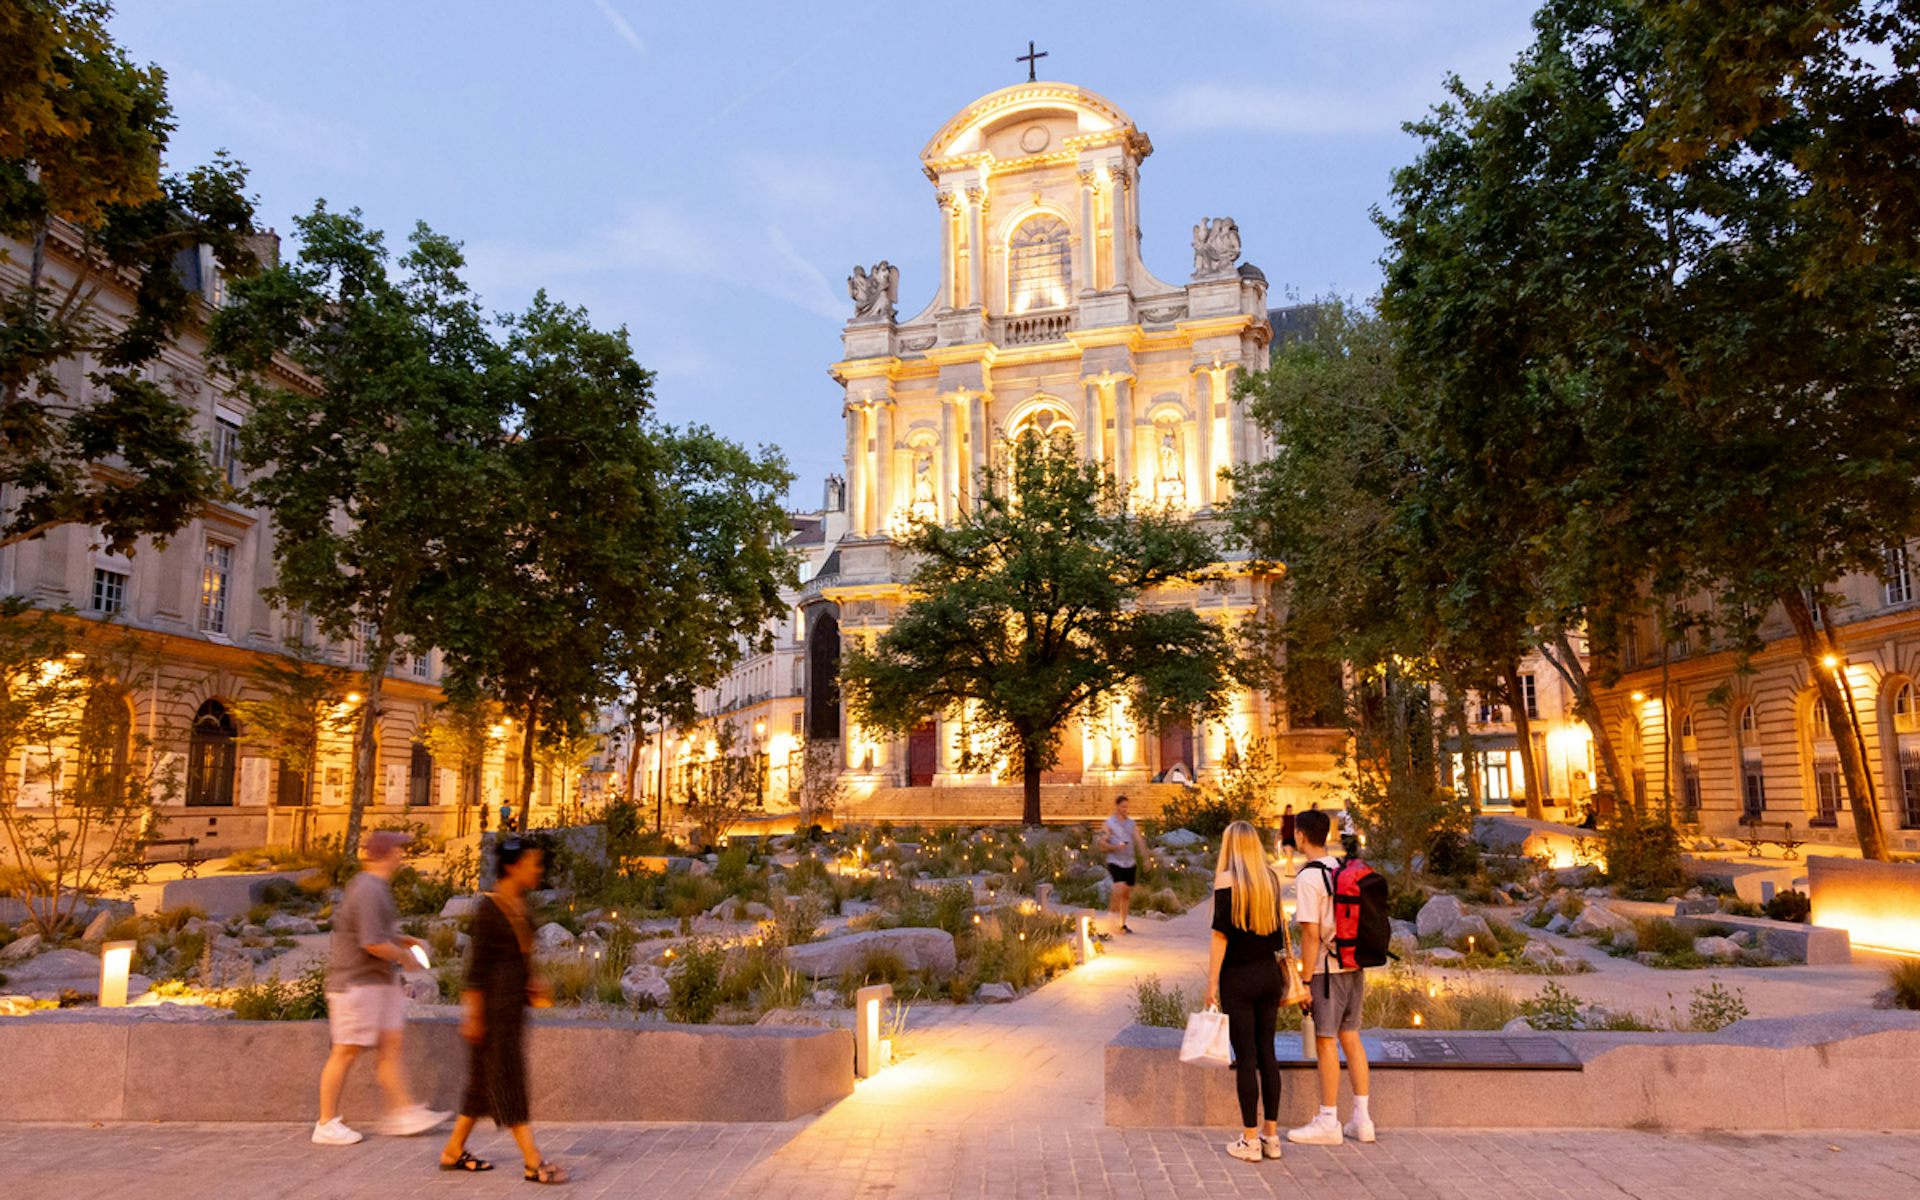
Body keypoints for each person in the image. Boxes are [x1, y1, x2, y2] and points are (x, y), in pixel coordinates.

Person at [439, 837, 568, 1184]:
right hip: (494, 1013)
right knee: (508, 1081)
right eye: (532, 863)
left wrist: (532, 981)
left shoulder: (520, 903)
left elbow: (520, 954)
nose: (538, 870)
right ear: (513, 866)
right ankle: (532, 1161)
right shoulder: (489, 909)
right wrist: (474, 1016)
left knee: (482, 1085)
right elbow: (475, 971)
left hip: (513, 1008)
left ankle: (453, 1151)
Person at [313, 830, 449, 1146]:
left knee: (390, 1046)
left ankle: (403, 1113)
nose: (402, 855)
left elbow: (376, 932)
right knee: (345, 1051)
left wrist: (404, 941)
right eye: (399, 849)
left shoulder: (376, 888)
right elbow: (371, 942)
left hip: (377, 983)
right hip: (356, 983)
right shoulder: (368, 889)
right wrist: (405, 957)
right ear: (386, 853)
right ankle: (326, 1122)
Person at [1203, 820, 1300, 1163]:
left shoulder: (1226, 881)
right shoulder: (1270, 879)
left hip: (1238, 978)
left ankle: (1249, 1140)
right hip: (1268, 975)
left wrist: (1211, 981)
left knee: (1246, 1059)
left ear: (1230, 846)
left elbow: (1220, 936)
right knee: (1267, 1054)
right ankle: (1271, 1136)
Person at [1287, 808, 1374, 1146]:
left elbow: (1310, 934)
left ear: (1301, 836)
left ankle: (1327, 1119)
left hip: (1326, 970)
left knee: (1326, 1042)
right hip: (1354, 964)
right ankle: (1362, 1120)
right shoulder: (1340, 868)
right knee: (1351, 1037)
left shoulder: (1309, 877)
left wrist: (1305, 980)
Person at [1097, 794, 1148, 934]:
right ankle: (1111, 920)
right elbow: (1102, 842)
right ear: (1117, 806)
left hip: (1129, 861)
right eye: (1122, 807)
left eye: (1126, 807)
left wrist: (1145, 858)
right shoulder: (1109, 823)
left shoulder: (1131, 824)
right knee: (1118, 887)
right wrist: (1114, 848)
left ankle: (1122, 923)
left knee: (1126, 893)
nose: (1125, 809)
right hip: (1115, 860)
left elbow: (1138, 840)